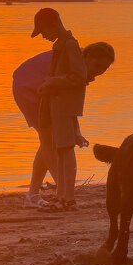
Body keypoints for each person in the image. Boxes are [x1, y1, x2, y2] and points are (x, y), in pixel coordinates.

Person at [12, 41, 115, 208]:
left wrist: (77, 132)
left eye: (104, 68)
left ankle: (34, 193)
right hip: (28, 86)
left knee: (48, 141)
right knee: (49, 140)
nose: (98, 71)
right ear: (86, 57)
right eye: (96, 65)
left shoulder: (81, 70)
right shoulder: (75, 66)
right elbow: (68, 102)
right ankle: (62, 192)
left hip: (45, 87)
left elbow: (70, 105)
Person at [29, 7, 87, 211]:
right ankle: (61, 195)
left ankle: (67, 197)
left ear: (53, 25)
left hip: (64, 104)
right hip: (56, 103)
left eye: (43, 31)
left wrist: (53, 82)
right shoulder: (60, 45)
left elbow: (79, 77)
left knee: (65, 150)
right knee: (60, 151)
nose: (43, 36)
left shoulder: (70, 45)